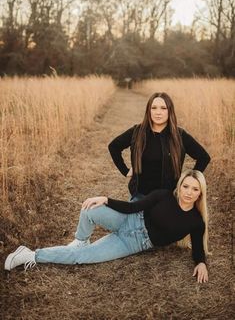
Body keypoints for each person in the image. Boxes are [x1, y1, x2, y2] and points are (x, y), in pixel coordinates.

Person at [4, 170, 209, 283]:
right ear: (180, 185)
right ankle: (80, 240)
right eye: (185, 186)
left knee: (81, 258)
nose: (188, 192)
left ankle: (30, 255)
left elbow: (198, 249)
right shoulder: (163, 195)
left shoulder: (195, 222)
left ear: (200, 193)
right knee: (89, 208)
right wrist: (105, 199)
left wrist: (201, 263)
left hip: (132, 243)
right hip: (129, 219)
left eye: (195, 189)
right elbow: (132, 207)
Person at [108, 92, 211, 199]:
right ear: (149, 111)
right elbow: (114, 146)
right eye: (154, 108)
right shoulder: (137, 132)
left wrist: (189, 180)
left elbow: (204, 158)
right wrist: (125, 171)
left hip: (168, 198)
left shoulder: (179, 135)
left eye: (163, 108)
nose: (158, 112)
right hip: (140, 195)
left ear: (169, 111)